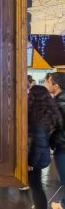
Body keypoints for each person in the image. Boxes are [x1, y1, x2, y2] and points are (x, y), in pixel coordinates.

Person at [26, 85, 62, 209]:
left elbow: (30, 139)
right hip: (44, 151)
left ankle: (40, 206)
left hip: (32, 153)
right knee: (37, 184)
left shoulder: (30, 112)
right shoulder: (49, 112)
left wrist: (27, 159)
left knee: (35, 186)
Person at [46, 72, 65, 209]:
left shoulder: (58, 103)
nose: (46, 84)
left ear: (56, 86)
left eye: (48, 81)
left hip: (62, 146)